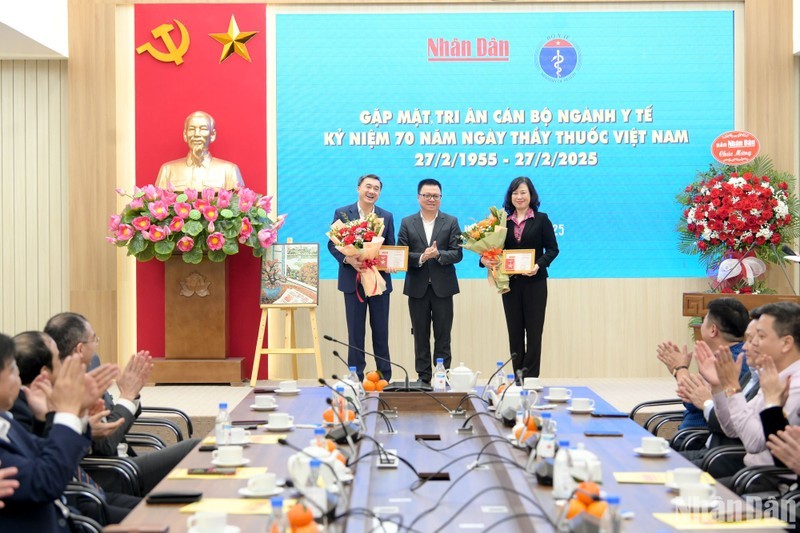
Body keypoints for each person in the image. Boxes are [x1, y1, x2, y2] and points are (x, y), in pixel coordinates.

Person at [44, 312, 200, 494]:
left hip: (123, 460)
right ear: (80, 349)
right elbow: (106, 445)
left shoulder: (91, 368)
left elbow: (111, 421)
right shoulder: (63, 388)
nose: (96, 345)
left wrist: (130, 398)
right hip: (111, 472)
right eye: (94, 339)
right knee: (196, 448)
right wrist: (126, 397)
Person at [695, 302, 800, 487]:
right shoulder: (774, 375)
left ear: (786, 343)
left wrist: (732, 388)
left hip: (769, 483)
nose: (749, 346)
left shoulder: (794, 384)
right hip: (752, 475)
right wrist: (720, 387)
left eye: (760, 336)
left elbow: (754, 442)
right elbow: (732, 428)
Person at [0, 333, 94, 531]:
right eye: (12, 369)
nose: (19, 375)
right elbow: (45, 479)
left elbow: (42, 450)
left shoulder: (5, 419)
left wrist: (76, 414)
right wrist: (66, 414)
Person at [480, 177, 559, 378]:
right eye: (515, 193)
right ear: (510, 196)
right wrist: (484, 260)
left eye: (523, 192)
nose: (519, 196)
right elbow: (493, 250)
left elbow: (552, 249)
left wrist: (538, 265)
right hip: (510, 285)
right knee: (514, 333)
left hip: (535, 283)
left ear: (531, 195)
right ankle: (518, 377)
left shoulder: (542, 219)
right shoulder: (501, 222)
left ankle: (530, 378)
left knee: (533, 333)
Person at [327, 174, 395, 381]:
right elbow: (333, 244)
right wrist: (349, 260)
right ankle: (355, 376)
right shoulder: (342, 212)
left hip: (378, 281)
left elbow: (390, 246)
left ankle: (384, 377)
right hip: (353, 281)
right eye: (368, 186)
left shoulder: (387, 216)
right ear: (358, 188)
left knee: (381, 332)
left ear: (379, 193)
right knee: (355, 332)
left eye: (376, 188)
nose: (372, 191)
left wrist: (391, 262)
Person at [397, 179, 462, 385]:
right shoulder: (407, 222)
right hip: (417, 288)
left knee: (443, 335)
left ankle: (443, 377)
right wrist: (423, 257)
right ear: (419, 197)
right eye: (427, 195)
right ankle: (423, 378)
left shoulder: (451, 221)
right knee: (420, 335)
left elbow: (457, 253)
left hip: (444, 288)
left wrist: (438, 254)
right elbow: (402, 255)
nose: (431, 199)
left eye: (435, 196)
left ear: (441, 198)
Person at [657, 297, 750, 430]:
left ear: (713, 330)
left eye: (704, 320)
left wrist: (679, 368)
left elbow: (693, 401)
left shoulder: (724, 361)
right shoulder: (744, 355)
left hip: (698, 437)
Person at [154, 110, 244, 191]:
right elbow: (157, 204)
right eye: (192, 129)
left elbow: (238, 203)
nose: (197, 134)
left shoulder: (229, 170)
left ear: (212, 135)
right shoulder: (167, 170)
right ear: (185, 135)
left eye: (203, 129)